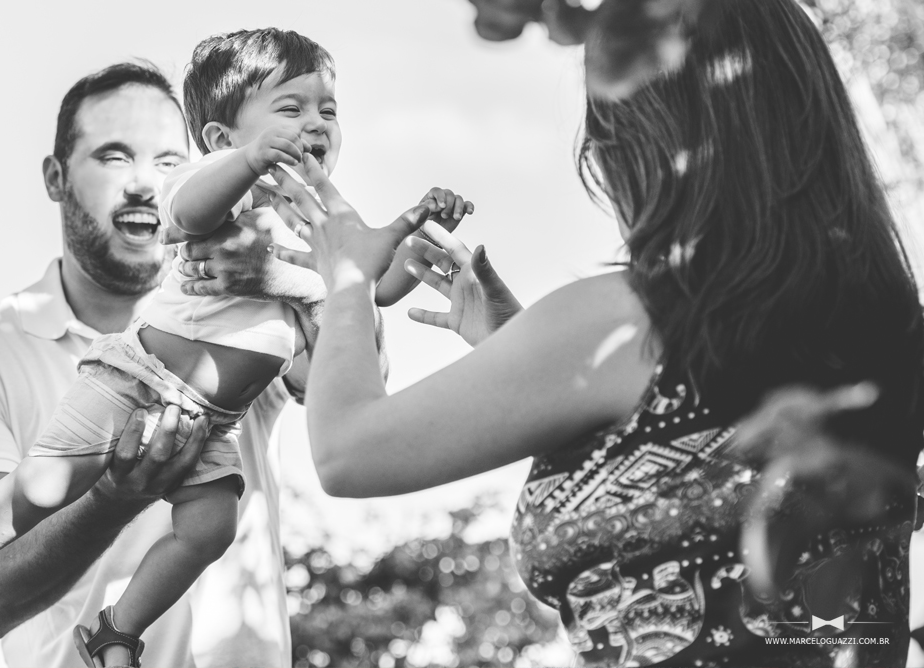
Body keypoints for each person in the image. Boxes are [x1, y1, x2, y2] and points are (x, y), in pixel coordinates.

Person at [260, 0, 924, 665]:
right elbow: (704, 467)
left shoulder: (629, 318)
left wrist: (346, 277)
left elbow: (349, 452)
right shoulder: (888, 330)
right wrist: (520, 348)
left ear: (640, 133)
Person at [0, 61, 327, 668]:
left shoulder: (250, 292)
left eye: (170, 162)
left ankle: (117, 632)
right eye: (115, 157)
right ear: (57, 178)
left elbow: (353, 392)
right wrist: (115, 495)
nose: (145, 184)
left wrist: (302, 274)